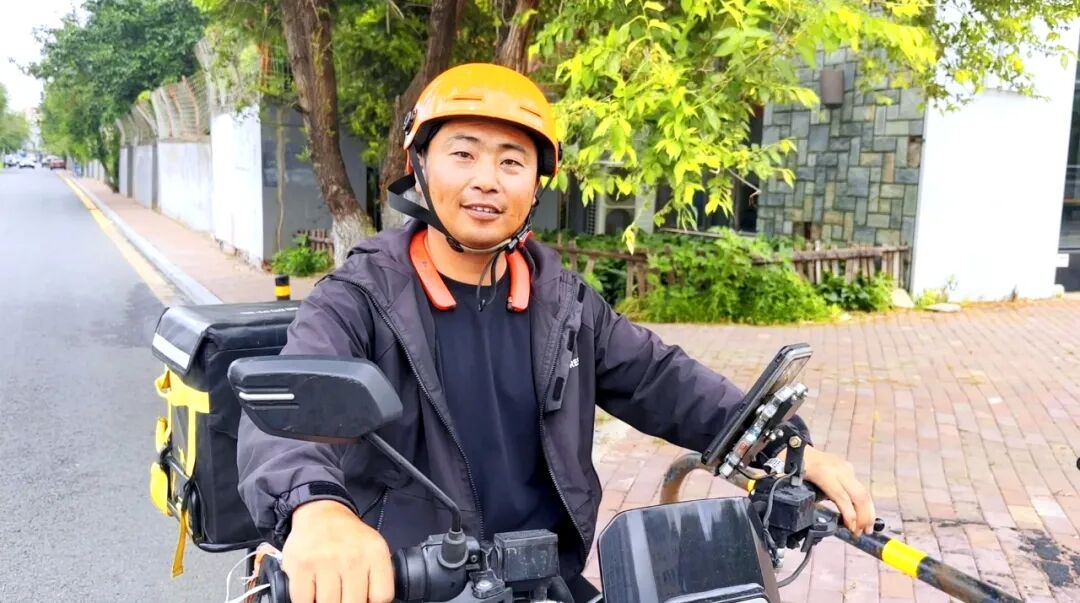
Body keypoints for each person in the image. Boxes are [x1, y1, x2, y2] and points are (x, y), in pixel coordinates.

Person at [236, 63, 875, 603]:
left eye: (512, 161)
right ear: (419, 165)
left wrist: (779, 446)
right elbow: (288, 409)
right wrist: (318, 509)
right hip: (417, 582)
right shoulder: (360, 297)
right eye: (463, 153)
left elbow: (661, 379)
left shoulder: (562, 302)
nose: (487, 179)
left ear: (536, 185)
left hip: (544, 585)